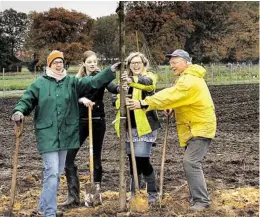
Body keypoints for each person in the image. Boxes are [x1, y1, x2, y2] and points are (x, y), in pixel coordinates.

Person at [11, 50, 120, 217]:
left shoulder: (71, 82)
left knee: (56, 172)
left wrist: (110, 71)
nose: (58, 64)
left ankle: (42, 207)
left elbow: (92, 82)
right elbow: (27, 99)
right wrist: (19, 111)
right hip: (47, 133)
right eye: (55, 62)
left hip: (66, 133)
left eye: (61, 61)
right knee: (52, 172)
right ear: (49, 64)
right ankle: (49, 212)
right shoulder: (39, 84)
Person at [126, 49, 217, 211]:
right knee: (191, 163)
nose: (171, 66)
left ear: (185, 62)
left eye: (174, 63)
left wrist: (145, 103)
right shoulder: (186, 78)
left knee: (191, 162)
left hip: (200, 127)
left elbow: (172, 94)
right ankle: (197, 198)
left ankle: (202, 201)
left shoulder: (189, 80)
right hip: (193, 126)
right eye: (170, 63)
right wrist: (172, 107)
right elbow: (181, 99)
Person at [60, 50, 119, 207]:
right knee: (68, 157)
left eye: (95, 61)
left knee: (96, 159)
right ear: (84, 63)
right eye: (90, 62)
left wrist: (124, 83)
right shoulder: (77, 79)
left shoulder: (102, 76)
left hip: (97, 121)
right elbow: (71, 96)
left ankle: (94, 195)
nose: (93, 64)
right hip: (81, 121)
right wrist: (81, 99)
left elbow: (114, 88)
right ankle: (73, 197)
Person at [114, 52, 161, 204]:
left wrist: (131, 80)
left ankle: (153, 191)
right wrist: (121, 101)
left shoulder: (149, 77)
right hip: (128, 127)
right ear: (128, 65)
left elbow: (148, 83)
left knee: (142, 159)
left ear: (144, 64)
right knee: (132, 160)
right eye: (132, 63)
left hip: (145, 127)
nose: (135, 65)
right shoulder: (124, 83)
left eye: (138, 62)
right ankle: (134, 192)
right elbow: (117, 103)